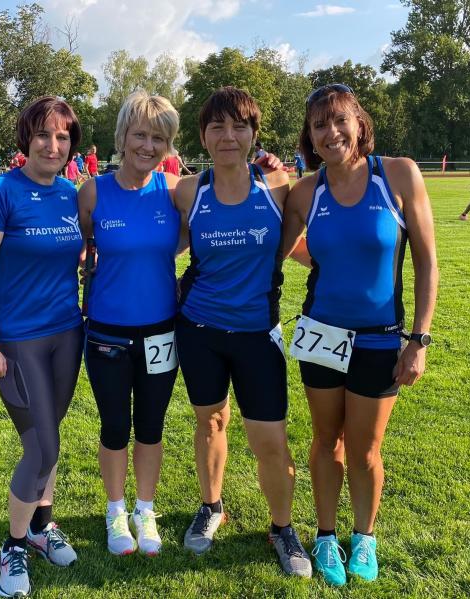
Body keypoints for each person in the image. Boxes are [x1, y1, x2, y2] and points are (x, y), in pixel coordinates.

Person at [280, 83, 438, 586]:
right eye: (319, 125)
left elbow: (427, 263)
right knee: (327, 440)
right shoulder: (306, 192)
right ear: (309, 137)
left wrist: (419, 340)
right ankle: (326, 535)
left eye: (339, 120)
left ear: (359, 124)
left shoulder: (398, 175)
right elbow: (276, 251)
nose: (331, 133)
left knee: (365, 449)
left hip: (380, 338)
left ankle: (364, 536)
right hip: (321, 336)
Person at [175, 86, 312, 578]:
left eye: (239, 126)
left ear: (254, 133)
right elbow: (157, 244)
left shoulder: (277, 185)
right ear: (203, 137)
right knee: (210, 422)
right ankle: (211, 506)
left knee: (270, 439)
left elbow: (303, 246)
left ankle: (282, 528)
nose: (228, 136)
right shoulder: (188, 191)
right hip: (199, 330)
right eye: (217, 127)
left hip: (258, 333)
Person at [0, 96, 83, 598]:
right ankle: (13, 545)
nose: (52, 145)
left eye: (62, 137)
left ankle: (40, 526)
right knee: (41, 446)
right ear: (26, 139)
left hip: (67, 335)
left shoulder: (71, 194)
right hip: (17, 341)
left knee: (49, 436)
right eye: (43, 134)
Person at [77, 91, 183, 558]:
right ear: (122, 137)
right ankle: (115, 510)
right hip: (107, 331)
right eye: (140, 134)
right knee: (115, 425)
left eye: (159, 138)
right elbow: (81, 247)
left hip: (161, 329)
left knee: (152, 425)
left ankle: (145, 509)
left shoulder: (176, 191)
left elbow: (186, 238)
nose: (148, 146)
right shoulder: (93, 192)